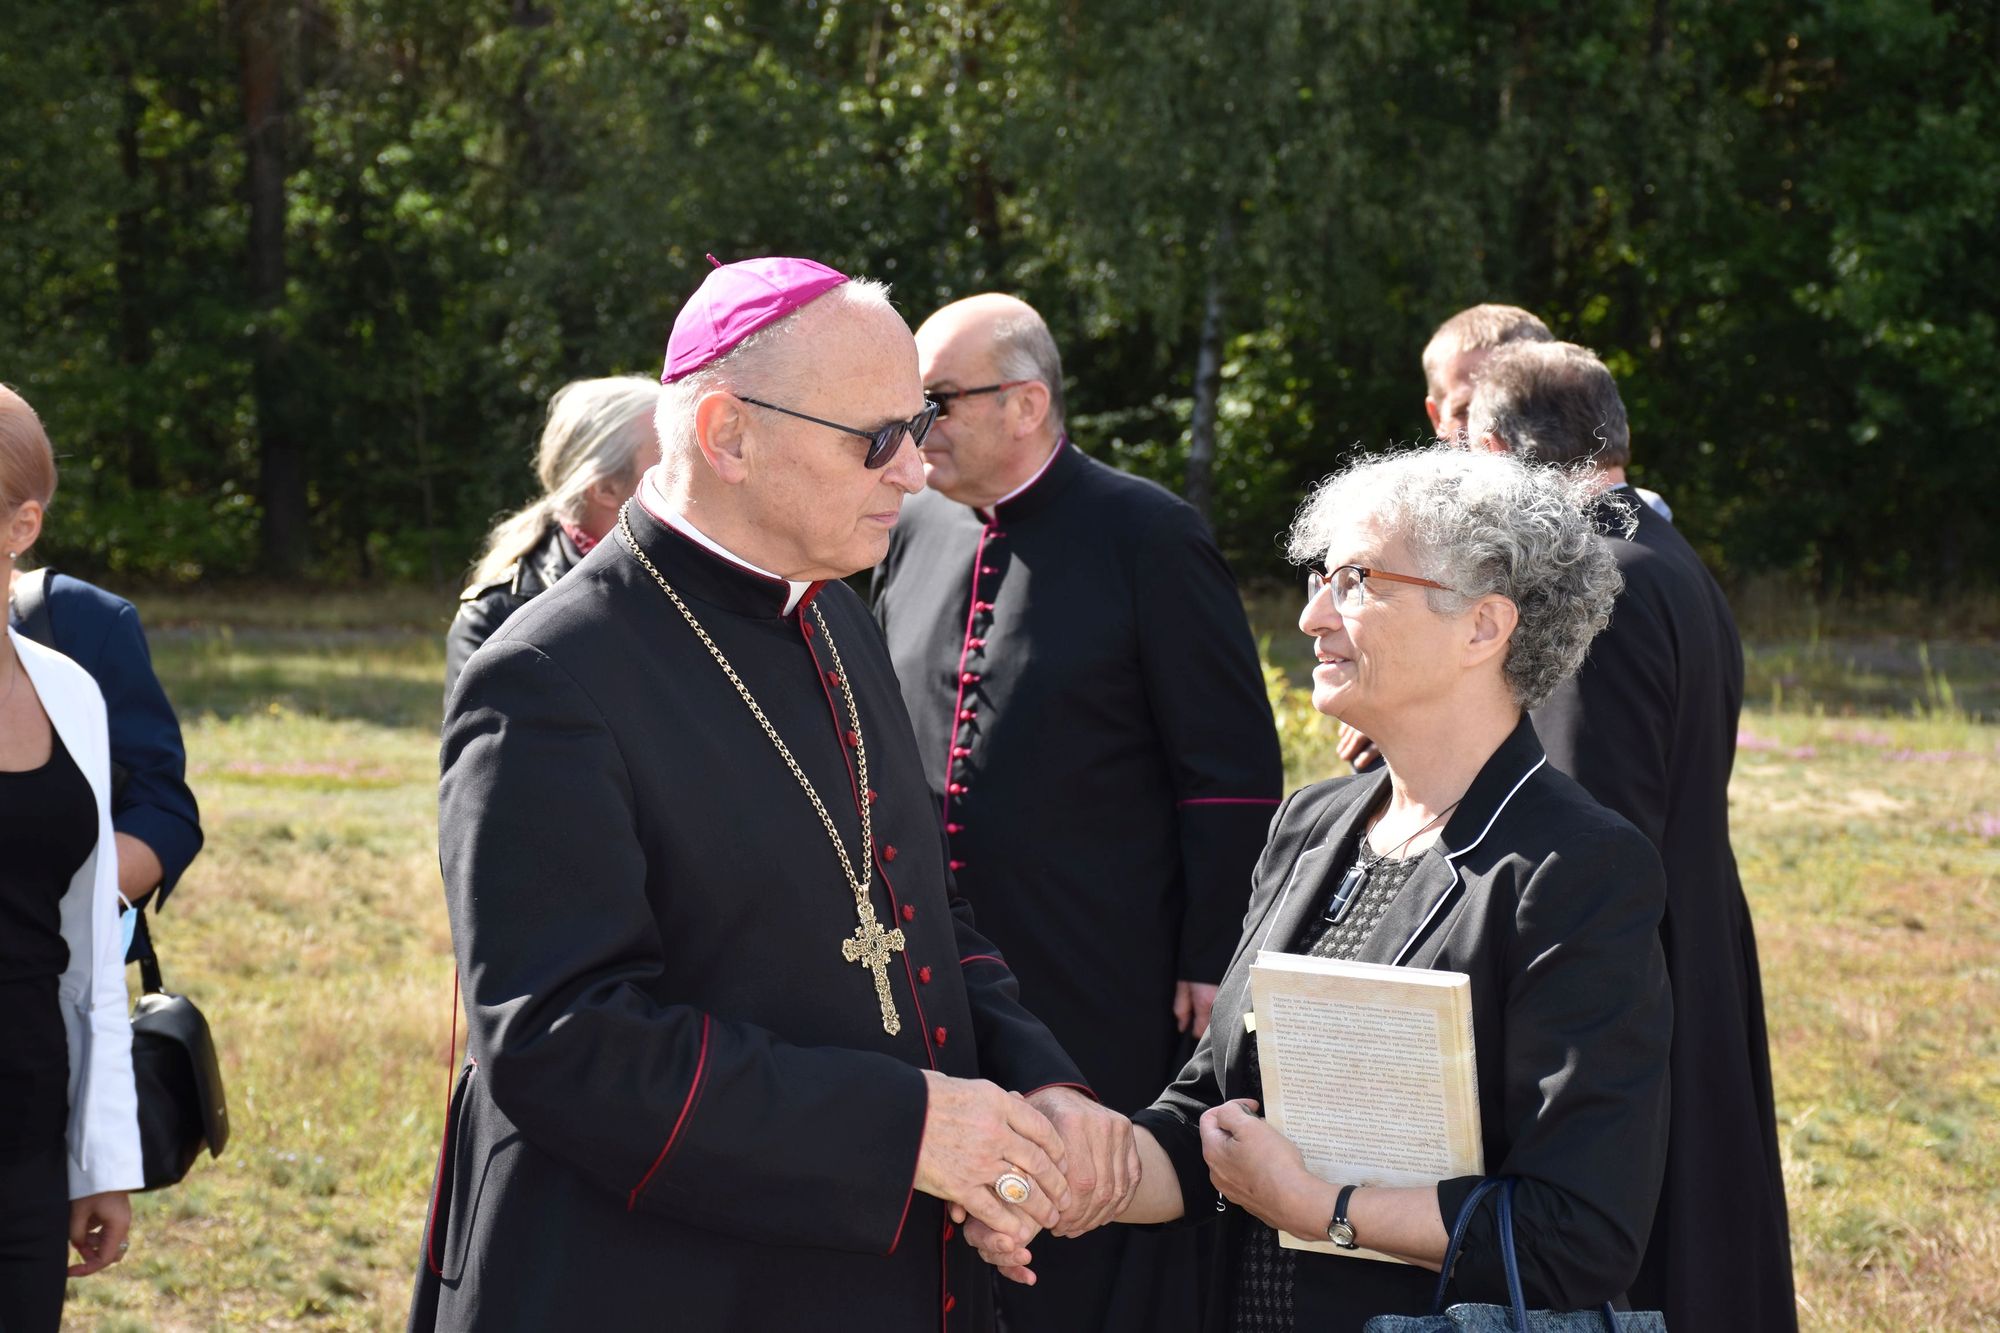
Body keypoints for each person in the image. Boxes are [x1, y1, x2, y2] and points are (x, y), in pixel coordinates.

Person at [410, 257, 1140, 1333]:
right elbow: (563, 1039)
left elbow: (918, 910)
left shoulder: (835, 612)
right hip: (654, 1279)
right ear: (725, 434)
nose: (917, 471)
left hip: (871, 1266)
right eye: (877, 437)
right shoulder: (551, 675)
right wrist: (909, 1131)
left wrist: (1040, 1094)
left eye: (921, 422)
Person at [966, 446, 1673, 1333]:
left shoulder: (1575, 868)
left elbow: (1577, 1231)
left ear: (1483, 627)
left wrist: (1321, 1207)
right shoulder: (1312, 825)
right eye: (1317, 578)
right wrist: (1050, 1179)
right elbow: (1215, 1119)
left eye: (1355, 580)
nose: (1309, 616)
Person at [873, 294, 1283, 1332]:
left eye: (935, 403)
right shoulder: (909, 530)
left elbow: (1227, 768)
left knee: (1088, 1205)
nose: (915, 430)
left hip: (1102, 953)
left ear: (1024, 402)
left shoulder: (1145, 532)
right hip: (940, 956)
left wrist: (1209, 951)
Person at [1465, 340, 1796, 1332]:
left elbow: (1583, 822)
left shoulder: (1588, 577)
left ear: (1493, 446)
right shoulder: (1658, 548)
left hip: (1632, 964)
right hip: (1691, 924)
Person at [2, 389, 143, 1331]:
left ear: (20, 523)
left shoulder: (70, 693)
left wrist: (103, 1161)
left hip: (24, 1133)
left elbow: (91, 956)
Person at [5, 390, 203, 915]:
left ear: (22, 525)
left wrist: (65, 911)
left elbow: (163, 810)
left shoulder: (78, 623)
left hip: (48, 981)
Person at [443, 375, 662, 700]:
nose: (697, 471)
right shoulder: (497, 618)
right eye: (671, 457)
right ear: (605, 489)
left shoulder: (699, 580)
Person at [1420, 305, 1671, 520]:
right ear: (1436, 416)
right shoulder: (1410, 536)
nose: (1488, 431)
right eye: (1466, 411)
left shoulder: (1632, 520)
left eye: (1518, 408)